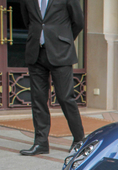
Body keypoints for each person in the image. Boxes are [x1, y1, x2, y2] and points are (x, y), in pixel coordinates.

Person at [19, 0, 85, 156]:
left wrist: (63, 39)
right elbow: (27, 21)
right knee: (38, 99)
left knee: (65, 97)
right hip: (36, 52)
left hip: (60, 52)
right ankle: (40, 142)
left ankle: (79, 139)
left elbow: (78, 22)